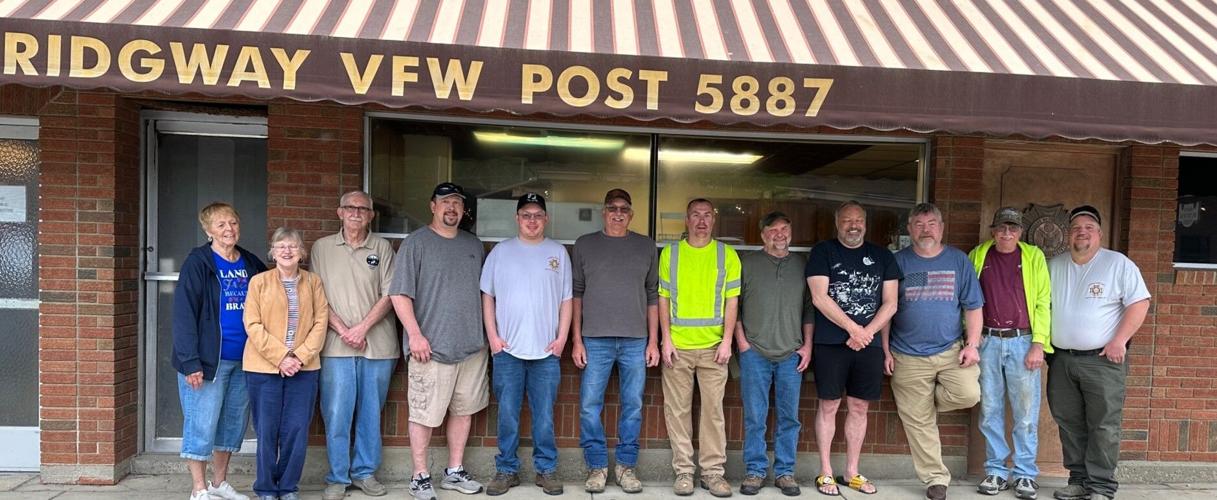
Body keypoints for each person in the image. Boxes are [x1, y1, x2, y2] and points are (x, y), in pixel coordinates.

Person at [389, 182, 488, 500]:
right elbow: (399, 294)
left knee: (464, 410)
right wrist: (415, 335)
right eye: (445, 202)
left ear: (463, 209)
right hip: (429, 349)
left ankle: (454, 471)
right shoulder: (415, 244)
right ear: (433, 206)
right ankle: (419, 476)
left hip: (471, 348)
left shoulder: (474, 245)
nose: (451, 208)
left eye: (457, 203)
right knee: (424, 414)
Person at [1046, 206, 1150, 500]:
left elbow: (1139, 303)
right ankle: (1078, 480)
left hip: (1103, 361)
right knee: (1069, 423)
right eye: (1076, 227)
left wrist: (1120, 340)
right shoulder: (1054, 265)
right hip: (1062, 359)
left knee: (1104, 425)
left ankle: (1101, 486)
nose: (1082, 232)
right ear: (1068, 234)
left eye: (1089, 227)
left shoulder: (1118, 264)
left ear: (1099, 234)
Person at [883, 203, 983, 500]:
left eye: (931, 224)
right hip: (906, 355)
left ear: (941, 228)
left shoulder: (958, 260)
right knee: (918, 423)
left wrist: (972, 345)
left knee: (969, 394)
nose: (925, 230)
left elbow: (973, 307)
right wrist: (885, 350)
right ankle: (935, 479)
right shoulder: (897, 262)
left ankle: (921, 404)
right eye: (919, 224)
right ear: (909, 229)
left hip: (951, 351)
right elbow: (886, 310)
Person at [172, 202, 266, 500]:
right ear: (208, 230)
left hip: (245, 359)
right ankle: (198, 489)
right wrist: (190, 362)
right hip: (207, 362)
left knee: (231, 424)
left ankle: (219, 483)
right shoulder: (198, 263)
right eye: (221, 224)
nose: (229, 229)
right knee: (201, 423)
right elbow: (184, 314)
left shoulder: (250, 262)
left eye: (233, 223)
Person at [481, 193, 573, 496]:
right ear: (517, 218)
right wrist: (493, 338)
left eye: (537, 215)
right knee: (507, 413)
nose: (532, 220)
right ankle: (507, 470)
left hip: (546, 351)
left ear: (546, 219)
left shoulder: (558, 253)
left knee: (544, 415)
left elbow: (567, 300)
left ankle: (545, 470)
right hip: (507, 350)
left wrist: (562, 338)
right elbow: (487, 296)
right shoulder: (500, 252)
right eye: (526, 215)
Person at [805, 200, 900, 496]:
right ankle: (825, 473)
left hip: (868, 345)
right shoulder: (823, 252)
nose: (853, 225)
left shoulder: (882, 256)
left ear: (865, 223)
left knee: (859, 407)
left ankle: (851, 472)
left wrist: (866, 333)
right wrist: (853, 329)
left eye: (858, 220)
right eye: (847, 220)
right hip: (831, 343)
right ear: (837, 223)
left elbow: (891, 303)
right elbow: (819, 297)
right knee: (829, 405)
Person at [570, 188, 659, 494]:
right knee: (589, 405)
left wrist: (653, 341)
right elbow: (576, 294)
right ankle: (597, 466)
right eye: (612, 208)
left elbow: (652, 295)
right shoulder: (585, 245)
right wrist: (577, 340)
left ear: (631, 214)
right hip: (595, 339)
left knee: (632, 405)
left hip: (636, 340)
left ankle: (625, 467)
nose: (617, 213)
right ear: (603, 212)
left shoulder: (646, 246)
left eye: (623, 208)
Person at [312, 191, 399, 500]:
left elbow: (390, 294)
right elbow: (316, 296)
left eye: (363, 209)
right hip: (335, 346)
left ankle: (364, 472)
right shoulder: (322, 248)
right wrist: (344, 330)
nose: (356, 213)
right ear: (340, 212)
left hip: (377, 345)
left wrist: (361, 329)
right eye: (350, 207)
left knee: (370, 412)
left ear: (371, 215)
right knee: (336, 412)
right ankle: (337, 477)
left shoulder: (382, 247)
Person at [968, 207, 1052, 500]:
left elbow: (1043, 301)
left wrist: (1038, 343)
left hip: (1022, 340)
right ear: (993, 230)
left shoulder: (1033, 256)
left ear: (1020, 232)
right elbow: (967, 299)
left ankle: (1025, 473)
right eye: (1002, 228)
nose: (1007, 233)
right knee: (990, 409)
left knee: (1025, 413)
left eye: (1013, 228)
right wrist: (970, 337)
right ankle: (996, 471)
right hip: (988, 340)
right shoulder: (978, 255)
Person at [658, 198, 740, 498]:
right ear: (687, 219)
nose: (701, 221)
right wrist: (666, 339)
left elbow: (732, 300)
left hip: (714, 348)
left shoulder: (726, 254)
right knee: (677, 412)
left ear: (714, 220)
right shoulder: (671, 253)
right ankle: (683, 472)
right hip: (678, 348)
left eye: (707, 215)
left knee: (713, 413)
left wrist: (727, 341)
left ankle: (713, 473)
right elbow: (663, 298)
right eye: (696, 215)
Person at [242, 227, 329, 500]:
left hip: (304, 368)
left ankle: (288, 486)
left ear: (301, 252)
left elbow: (321, 322)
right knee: (267, 430)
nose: (287, 251)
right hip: (263, 368)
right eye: (281, 246)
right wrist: (281, 357)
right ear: (273, 252)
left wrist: (299, 357)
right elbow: (252, 324)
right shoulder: (259, 282)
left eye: (293, 246)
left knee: (297, 430)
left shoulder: (313, 282)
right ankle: (266, 488)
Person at [735, 211, 812, 497]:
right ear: (763, 235)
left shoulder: (802, 265)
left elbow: (809, 309)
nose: (779, 235)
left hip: (791, 352)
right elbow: (733, 305)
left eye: (784, 229)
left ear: (790, 232)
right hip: (754, 351)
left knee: (789, 417)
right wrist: (742, 342)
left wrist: (807, 345)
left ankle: (785, 472)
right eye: (773, 230)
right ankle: (755, 471)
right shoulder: (748, 263)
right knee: (755, 416)